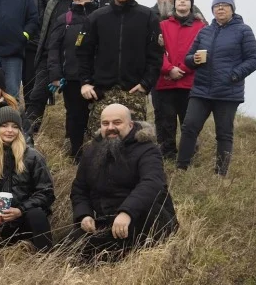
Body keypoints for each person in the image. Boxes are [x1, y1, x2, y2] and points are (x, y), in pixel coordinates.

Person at [68, 104, 177, 261]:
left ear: (130, 125)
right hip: (104, 219)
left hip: (141, 217)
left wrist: (126, 212)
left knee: (130, 253)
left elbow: (152, 183)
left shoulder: (147, 149)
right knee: (71, 249)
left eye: (117, 122)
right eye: (105, 123)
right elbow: (79, 188)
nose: (111, 127)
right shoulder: (91, 151)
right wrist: (84, 215)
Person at [176, 0, 256, 176]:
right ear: (212, 10)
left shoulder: (244, 30)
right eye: (217, 5)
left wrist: (234, 75)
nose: (220, 8)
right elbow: (188, 58)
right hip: (201, 89)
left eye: (225, 5)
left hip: (228, 92)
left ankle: (220, 174)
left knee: (223, 133)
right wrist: (194, 59)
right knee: (189, 127)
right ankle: (181, 168)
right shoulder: (205, 31)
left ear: (232, 9)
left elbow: (254, 59)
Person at [77, 0, 162, 127]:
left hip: (133, 92)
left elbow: (156, 54)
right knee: (100, 145)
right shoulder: (97, 17)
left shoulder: (148, 17)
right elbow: (83, 52)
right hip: (102, 92)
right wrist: (85, 82)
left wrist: (146, 83)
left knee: (135, 145)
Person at [0, 106, 55, 251]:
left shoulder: (33, 157)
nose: (10, 130)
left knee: (37, 215)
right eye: (4, 126)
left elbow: (46, 193)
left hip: (25, 219)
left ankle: (46, 257)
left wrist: (20, 210)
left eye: (15, 126)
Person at [45, 0, 98, 161]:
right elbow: (53, 49)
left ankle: (98, 153)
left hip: (98, 76)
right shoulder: (64, 20)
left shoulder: (101, 15)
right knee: (75, 116)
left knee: (97, 116)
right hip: (72, 77)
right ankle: (76, 154)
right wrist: (55, 75)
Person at [26, 0, 82, 129]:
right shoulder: (53, 0)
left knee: (73, 103)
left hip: (73, 58)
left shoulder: (82, 0)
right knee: (36, 96)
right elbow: (44, 26)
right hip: (49, 57)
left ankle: (71, 142)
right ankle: (28, 134)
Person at [153, 0, 206, 160]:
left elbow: (202, 53)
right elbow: (155, 52)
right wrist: (169, 69)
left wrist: (183, 69)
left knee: (188, 122)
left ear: (192, 3)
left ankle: (187, 157)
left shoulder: (202, 27)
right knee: (165, 122)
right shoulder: (162, 25)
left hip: (190, 82)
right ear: (174, 3)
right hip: (165, 82)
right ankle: (166, 157)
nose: (182, 1)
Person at [16, 0, 53, 109]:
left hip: (37, 45)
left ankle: (33, 121)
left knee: (33, 84)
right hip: (19, 44)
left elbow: (50, 16)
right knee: (19, 83)